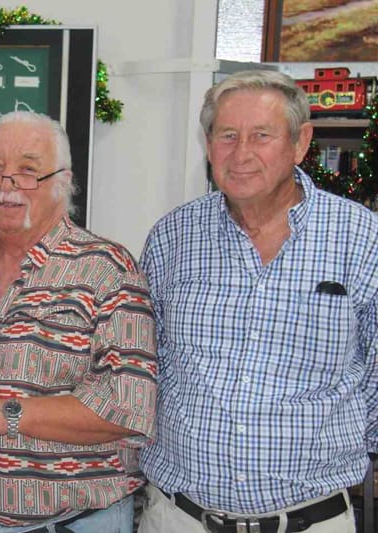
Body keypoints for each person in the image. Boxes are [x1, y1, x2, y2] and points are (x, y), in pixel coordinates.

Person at [138, 69, 378, 533]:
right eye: (227, 136)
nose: (241, 154)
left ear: (301, 142)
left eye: (261, 136)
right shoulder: (173, 236)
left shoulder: (361, 237)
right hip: (179, 518)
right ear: (208, 145)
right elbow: (148, 358)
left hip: (312, 521)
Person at [0, 111, 157, 532]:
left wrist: (5, 414)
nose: (7, 186)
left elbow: (129, 408)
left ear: (63, 181)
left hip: (71, 524)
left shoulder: (108, 269)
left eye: (27, 171)